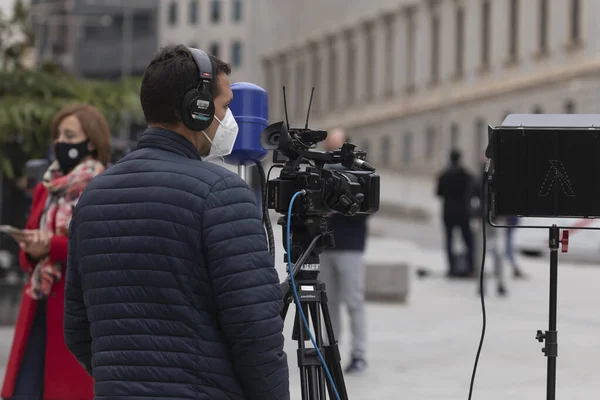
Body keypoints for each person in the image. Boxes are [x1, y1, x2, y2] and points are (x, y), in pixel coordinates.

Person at [63, 46, 290, 400]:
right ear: (196, 109)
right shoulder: (223, 194)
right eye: (225, 106)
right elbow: (256, 333)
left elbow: (77, 328)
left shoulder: (92, 195)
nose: (229, 120)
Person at [1, 103, 110, 400]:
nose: (61, 142)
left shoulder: (104, 188)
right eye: (58, 135)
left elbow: (97, 248)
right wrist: (34, 249)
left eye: (70, 134)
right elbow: (28, 259)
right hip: (37, 308)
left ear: (91, 141)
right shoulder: (45, 189)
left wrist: (53, 246)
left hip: (75, 314)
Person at [319, 128, 369, 373]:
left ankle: (359, 354)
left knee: (353, 301)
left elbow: (365, 208)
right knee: (329, 303)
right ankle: (330, 350)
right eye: (329, 149)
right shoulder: (322, 172)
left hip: (350, 246)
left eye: (336, 149)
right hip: (324, 245)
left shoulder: (360, 173)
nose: (332, 155)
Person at [436, 149, 477, 278]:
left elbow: (439, 193)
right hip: (463, 212)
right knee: (469, 241)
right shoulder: (466, 175)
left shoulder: (444, 175)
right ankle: (470, 268)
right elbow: (474, 192)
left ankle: (452, 268)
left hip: (448, 212)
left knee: (449, 241)